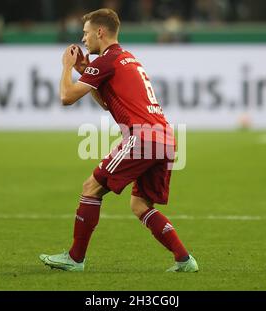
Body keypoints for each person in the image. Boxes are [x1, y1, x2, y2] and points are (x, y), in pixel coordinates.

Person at [39, 8, 198, 272]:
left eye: (86, 33)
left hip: (144, 137)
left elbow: (66, 97)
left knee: (91, 187)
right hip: (166, 138)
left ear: (100, 32)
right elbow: (105, 103)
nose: (83, 38)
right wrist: (83, 70)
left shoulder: (106, 61)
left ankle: (75, 258)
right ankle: (184, 259)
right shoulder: (126, 58)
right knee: (140, 204)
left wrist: (67, 68)